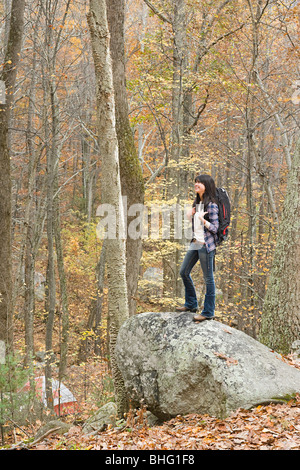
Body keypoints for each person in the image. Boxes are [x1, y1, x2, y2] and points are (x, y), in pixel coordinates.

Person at [176, 174, 219, 322]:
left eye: (199, 182)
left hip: (206, 245)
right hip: (195, 242)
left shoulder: (212, 205)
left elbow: (215, 228)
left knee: (208, 279)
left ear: (206, 185)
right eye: (195, 182)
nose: (196, 184)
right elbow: (196, 227)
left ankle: (208, 312)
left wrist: (202, 219)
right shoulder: (197, 203)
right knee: (183, 272)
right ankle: (191, 304)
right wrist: (190, 216)